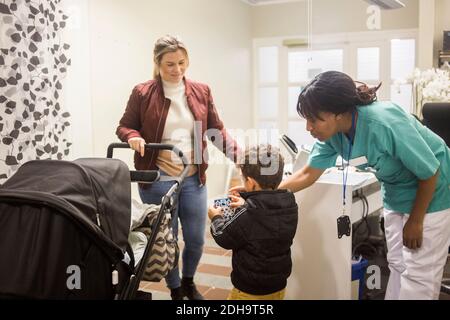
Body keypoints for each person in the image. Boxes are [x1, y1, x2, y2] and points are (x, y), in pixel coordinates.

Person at [274, 70, 450, 300]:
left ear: (338, 113)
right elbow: (308, 173)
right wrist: (260, 194)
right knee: (397, 263)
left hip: (433, 190)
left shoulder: (384, 121)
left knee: (419, 276)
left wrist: (416, 220)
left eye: (314, 119)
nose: (308, 127)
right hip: (396, 192)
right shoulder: (333, 134)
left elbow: (431, 169)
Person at [116, 35, 239, 300]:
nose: (177, 69)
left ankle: (188, 282)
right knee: (166, 240)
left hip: (193, 178)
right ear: (157, 63)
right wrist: (133, 136)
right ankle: (174, 290)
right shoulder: (143, 92)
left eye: (182, 63)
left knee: (195, 238)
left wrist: (240, 156)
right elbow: (124, 125)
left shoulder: (201, 91)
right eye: (170, 64)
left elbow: (216, 130)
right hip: (158, 178)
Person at [209, 144, 298, 300]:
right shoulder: (290, 203)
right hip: (278, 285)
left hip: (249, 290)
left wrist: (216, 217)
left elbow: (223, 236)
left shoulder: (248, 214)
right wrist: (247, 201)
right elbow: (265, 216)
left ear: (250, 182)